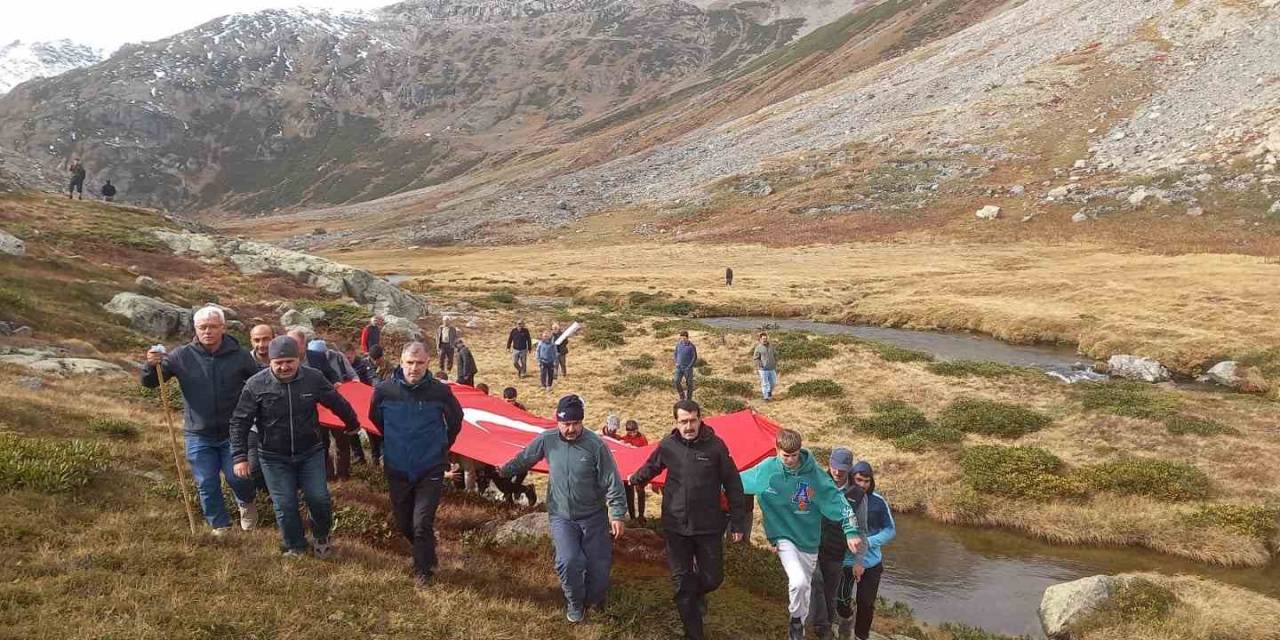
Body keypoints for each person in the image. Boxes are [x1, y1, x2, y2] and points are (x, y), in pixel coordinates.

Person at [497, 394, 627, 623]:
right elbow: (525, 459)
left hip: (594, 516)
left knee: (599, 565)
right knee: (569, 561)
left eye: (576, 423)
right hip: (561, 516)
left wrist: (616, 513)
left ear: (582, 422)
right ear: (557, 420)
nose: (571, 429)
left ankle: (594, 603)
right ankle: (575, 604)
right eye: (566, 424)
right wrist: (502, 470)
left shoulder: (596, 445)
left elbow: (612, 480)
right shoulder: (547, 440)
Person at [231, 336, 362, 557]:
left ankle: (321, 536)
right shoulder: (255, 384)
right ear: (270, 362)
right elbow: (239, 421)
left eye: (289, 361)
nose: (284, 367)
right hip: (273, 456)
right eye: (278, 363)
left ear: (298, 359)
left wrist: (352, 423)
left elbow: (336, 401)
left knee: (319, 498)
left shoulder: (314, 378)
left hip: (310, 452)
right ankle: (295, 546)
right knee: (285, 504)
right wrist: (239, 456)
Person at [629, 400, 748, 640]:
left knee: (713, 578)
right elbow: (652, 466)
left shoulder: (715, 447)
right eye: (683, 421)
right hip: (675, 526)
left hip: (709, 526)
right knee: (682, 583)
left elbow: (734, 483)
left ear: (700, 419)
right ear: (676, 422)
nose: (689, 426)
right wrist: (634, 478)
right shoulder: (668, 445)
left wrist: (737, 521)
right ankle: (694, 633)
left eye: (693, 420)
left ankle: (695, 593)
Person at [141, 306, 259, 536]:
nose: (208, 331)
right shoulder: (181, 356)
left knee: (239, 477)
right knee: (206, 482)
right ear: (195, 329)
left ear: (223, 328)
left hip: (232, 432)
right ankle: (220, 526)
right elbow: (151, 382)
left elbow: (257, 384)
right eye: (203, 327)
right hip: (198, 432)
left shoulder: (240, 355)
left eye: (213, 327)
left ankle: (246, 502)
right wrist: (150, 365)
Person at [740, 429, 861, 640]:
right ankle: (796, 623)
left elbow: (836, 500)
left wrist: (850, 530)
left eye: (794, 455)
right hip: (783, 537)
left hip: (809, 541)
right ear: (777, 450)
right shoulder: (767, 469)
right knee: (798, 582)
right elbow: (736, 480)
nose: (790, 460)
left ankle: (797, 626)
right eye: (785, 455)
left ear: (800, 451)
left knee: (804, 587)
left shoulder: (814, 474)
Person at [369, 342, 464, 584]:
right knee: (403, 524)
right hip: (397, 466)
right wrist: (394, 442)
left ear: (428, 363)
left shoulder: (440, 392)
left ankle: (423, 572)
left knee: (422, 522)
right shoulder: (384, 390)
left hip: (430, 467)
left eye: (419, 363)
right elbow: (376, 420)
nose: (414, 368)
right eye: (409, 363)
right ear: (401, 362)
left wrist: (442, 447)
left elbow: (455, 421)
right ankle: (428, 551)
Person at [809, 448, 868, 640]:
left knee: (830, 592)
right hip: (810, 545)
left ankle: (824, 625)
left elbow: (862, 530)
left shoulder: (858, 495)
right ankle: (820, 627)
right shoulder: (815, 482)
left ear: (849, 469)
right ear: (829, 463)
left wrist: (859, 561)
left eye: (842, 469)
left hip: (836, 551)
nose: (836, 472)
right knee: (815, 581)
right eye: (834, 467)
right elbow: (799, 508)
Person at [844, 461, 894, 640]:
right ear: (851, 478)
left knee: (866, 603)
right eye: (859, 480)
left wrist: (867, 542)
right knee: (842, 602)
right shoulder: (842, 497)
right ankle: (844, 624)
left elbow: (890, 530)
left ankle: (861, 636)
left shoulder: (879, 502)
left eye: (867, 481)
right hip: (846, 562)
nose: (863, 485)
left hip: (871, 562)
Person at [619, 420, 649, 521]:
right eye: (630, 432)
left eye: (634, 432)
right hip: (628, 470)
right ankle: (632, 517)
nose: (632, 434)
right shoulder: (624, 439)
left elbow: (645, 453)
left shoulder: (642, 439)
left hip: (639, 469)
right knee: (629, 493)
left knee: (640, 491)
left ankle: (641, 515)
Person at [753, 332, 779, 401]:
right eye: (763, 339)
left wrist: (775, 363)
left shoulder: (771, 346)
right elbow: (756, 358)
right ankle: (766, 397)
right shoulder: (758, 348)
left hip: (772, 368)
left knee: (773, 382)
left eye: (766, 338)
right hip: (763, 369)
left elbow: (775, 355)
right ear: (760, 339)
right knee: (765, 383)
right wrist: (760, 365)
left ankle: (769, 392)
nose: (765, 340)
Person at [673, 330, 698, 401]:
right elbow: (675, 354)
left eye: (684, 338)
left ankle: (689, 399)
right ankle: (682, 395)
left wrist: (689, 367)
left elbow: (694, 357)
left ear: (687, 338)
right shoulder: (678, 344)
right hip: (679, 368)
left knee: (689, 384)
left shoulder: (691, 346)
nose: (682, 340)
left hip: (687, 369)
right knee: (676, 381)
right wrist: (676, 362)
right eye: (681, 338)